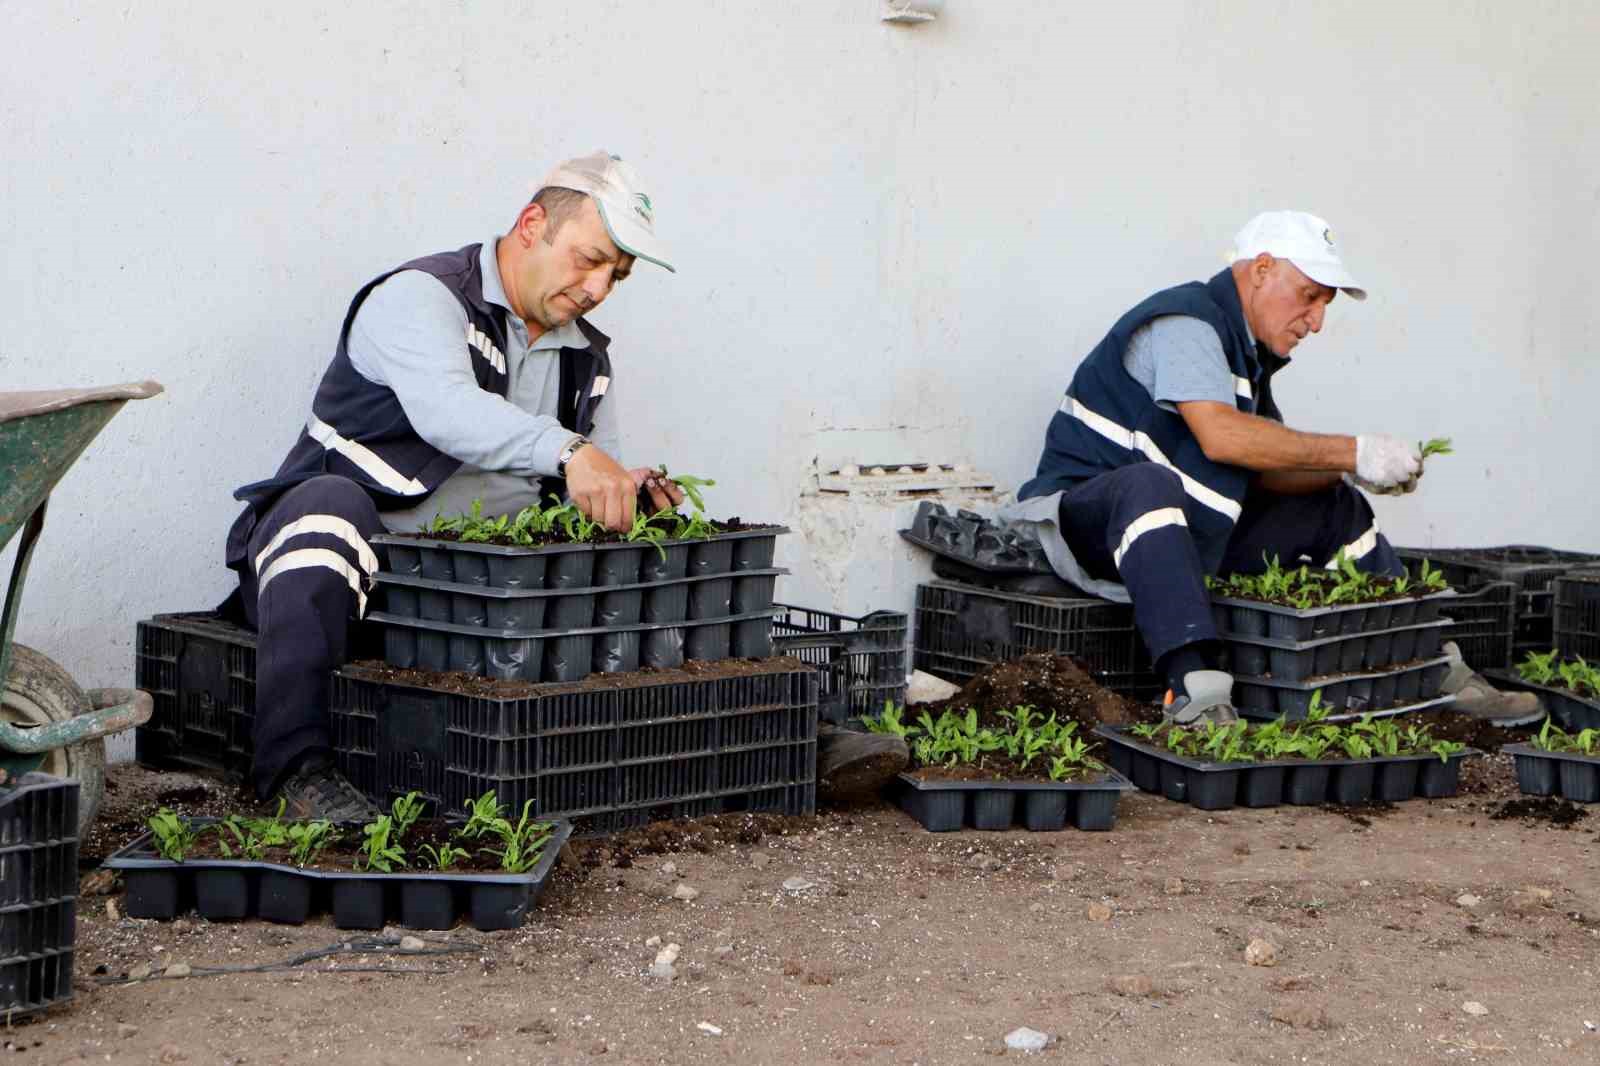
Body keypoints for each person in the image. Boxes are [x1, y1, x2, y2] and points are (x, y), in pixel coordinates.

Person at [221, 151, 689, 819]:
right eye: (589, 259)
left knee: (639, 549)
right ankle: (296, 772)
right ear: (533, 225)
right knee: (327, 508)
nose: (598, 288)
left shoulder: (587, 356)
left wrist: (626, 489)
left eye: (617, 275)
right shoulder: (421, 296)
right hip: (346, 580)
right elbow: (447, 412)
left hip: (456, 604)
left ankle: (776, 740)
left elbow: (590, 475)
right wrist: (571, 451)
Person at [1003, 211, 1539, 726]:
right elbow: (1222, 436)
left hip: (1174, 536)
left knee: (1334, 506)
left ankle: (1433, 666)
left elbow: (1263, 470)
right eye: (1309, 297)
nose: (1317, 321)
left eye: (1325, 304)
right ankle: (1195, 693)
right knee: (1150, 486)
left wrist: (1351, 474)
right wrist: (1351, 451)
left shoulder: (1247, 357)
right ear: (1261, 271)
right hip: (1083, 527)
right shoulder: (1187, 323)